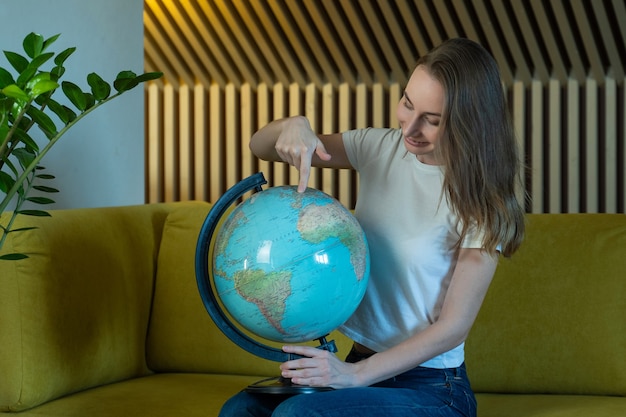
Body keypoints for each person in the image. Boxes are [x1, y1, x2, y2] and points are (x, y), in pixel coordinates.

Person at [219, 37, 525, 417]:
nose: (410, 128)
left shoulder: (481, 202)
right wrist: (294, 125)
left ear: (469, 121)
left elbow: (453, 327)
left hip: (434, 388)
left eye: (431, 120)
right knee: (240, 412)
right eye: (407, 104)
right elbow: (261, 146)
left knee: (298, 416)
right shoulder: (379, 149)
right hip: (362, 364)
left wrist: (353, 376)